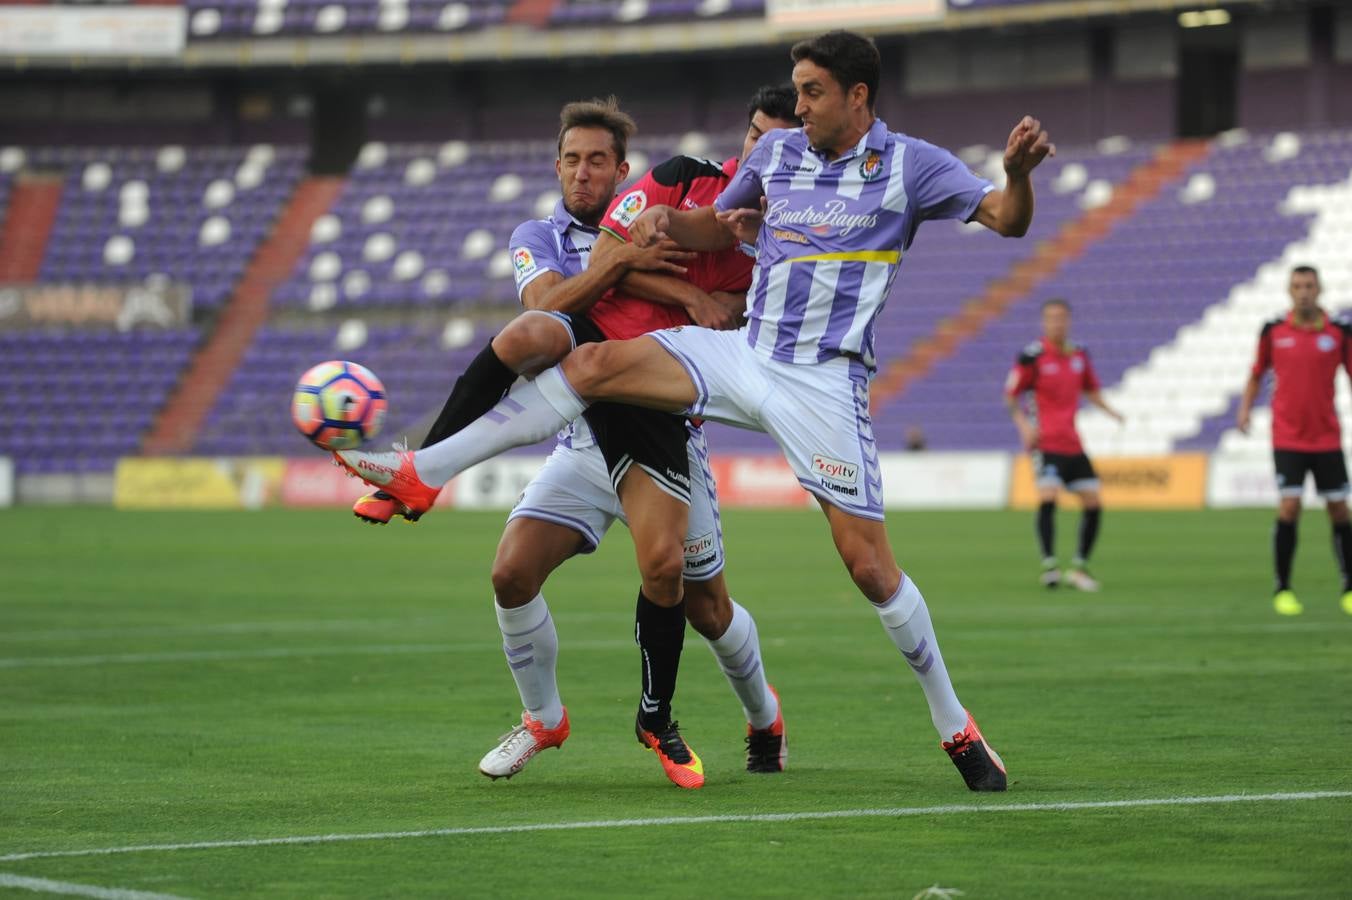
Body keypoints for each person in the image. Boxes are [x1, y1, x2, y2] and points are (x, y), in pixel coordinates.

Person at [335, 31, 1052, 792]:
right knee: (589, 364)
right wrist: (665, 225)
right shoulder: (778, 159)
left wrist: (1014, 174)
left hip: (823, 381)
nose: (797, 106)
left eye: (811, 91)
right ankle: (423, 471)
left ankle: (955, 726)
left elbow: (1007, 219)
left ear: (857, 96)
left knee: (870, 567)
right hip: (747, 355)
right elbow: (717, 224)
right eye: (796, 90)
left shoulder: (911, 164)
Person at [360, 92, 801, 787]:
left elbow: (723, 305)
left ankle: (762, 714)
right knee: (510, 573)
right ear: (557, 166)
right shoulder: (537, 236)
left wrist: (665, 274)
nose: (583, 173)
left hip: (666, 441)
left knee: (708, 608)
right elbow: (544, 308)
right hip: (585, 443)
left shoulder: (667, 213)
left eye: (598, 161)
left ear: (624, 171)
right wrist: (632, 270)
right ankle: (543, 717)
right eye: (572, 160)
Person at [1237, 265, 1352, 618]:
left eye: (1309, 285)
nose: (1303, 291)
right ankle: (1283, 588)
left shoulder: (1339, 332)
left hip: (1327, 436)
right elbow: (1256, 374)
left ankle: (1349, 587)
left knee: (1339, 510)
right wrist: (1245, 410)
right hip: (1287, 437)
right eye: (1298, 285)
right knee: (1289, 507)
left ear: (1319, 289)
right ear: (1289, 290)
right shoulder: (1273, 331)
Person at [1004, 298, 1124, 591]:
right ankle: (1050, 566)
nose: (1057, 323)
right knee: (1048, 496)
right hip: (1046, 444)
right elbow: (1011, 394)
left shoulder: (1079, 355)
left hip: (1073, 443)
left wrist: (1113, 413)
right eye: (1051, 318)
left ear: (1068, 321)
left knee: (1094, 502)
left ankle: (1080, 567)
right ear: (1044, 323)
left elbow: (1091, 390)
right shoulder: (1032, 356)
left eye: (1061, 318)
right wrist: (1024, 425)